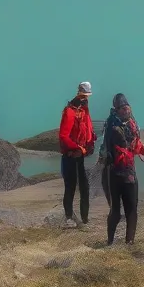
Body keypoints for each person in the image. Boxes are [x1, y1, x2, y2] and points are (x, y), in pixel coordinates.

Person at [102, 93, 144, 246]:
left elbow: (136, 144)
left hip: (129, 172)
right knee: (115, 211)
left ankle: (130, 242)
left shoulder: (133, 124)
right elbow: (105, 150)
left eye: (126, 108)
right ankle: (110, 242)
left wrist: (141, 152)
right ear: (116, 110)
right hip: (114, 173)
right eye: (122, 108)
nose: (125, 111)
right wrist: (106, 156)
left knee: (132, 209)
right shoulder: (110, 125)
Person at [59, 81, 96, 229]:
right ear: (78, 95)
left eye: (86, 97)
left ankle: (85, 220)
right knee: (71, 187)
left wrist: (90, 143)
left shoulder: (84, 111)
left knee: (85, 188)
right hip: (70, 156)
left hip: (80, 155)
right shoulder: (69, 112)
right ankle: (69, 218)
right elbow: (63, 136)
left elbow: (88, 128)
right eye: (83, 96)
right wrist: (77, 148)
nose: (85, 99)